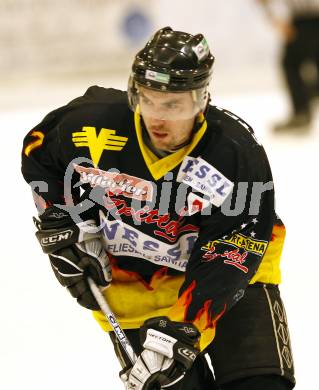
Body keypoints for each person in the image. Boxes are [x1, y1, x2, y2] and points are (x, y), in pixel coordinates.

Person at [21, 27, 295, 389]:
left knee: (260, 383)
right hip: (135, 286)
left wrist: (186, 324)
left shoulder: (233, 152)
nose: (157, 117)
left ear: (200, 100)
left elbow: (234, 249)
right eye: (148, 99)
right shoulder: (90, 126)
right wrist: (63, 220)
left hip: (232, 283)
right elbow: (39, 153)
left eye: (172, 105)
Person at [258, 0, 319, 132]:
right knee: (293, 62)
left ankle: (302, 111)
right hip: (301, 18)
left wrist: (275, 18)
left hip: (305, 19)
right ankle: (303, 108)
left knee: (291, 63)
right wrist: (276, 19)